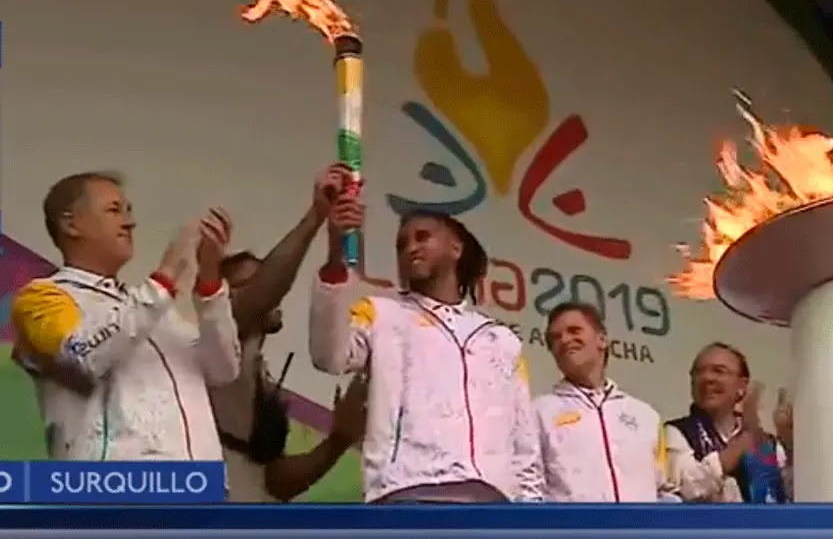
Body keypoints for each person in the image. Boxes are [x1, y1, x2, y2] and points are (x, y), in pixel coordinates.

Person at [309, 209, 544, 503]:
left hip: (491, 502)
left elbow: (524, 441)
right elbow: (329, 356)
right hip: (406, 492)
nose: (411, 248)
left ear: (455, 249)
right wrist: (336, 255)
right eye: (402, 245)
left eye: (422, 238)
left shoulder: (500, 339)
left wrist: (530, 510)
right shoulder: (380, 313)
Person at [10, 171, 241, 460]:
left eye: (129, 210)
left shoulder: (155, 310)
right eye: (114, 210)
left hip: (198, 483)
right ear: (70, 224)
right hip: (115, 484)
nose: (130, 222)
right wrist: (166, 276)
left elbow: (223, 370)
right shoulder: (42, 297)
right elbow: (82, 356)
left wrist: (209, 280)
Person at [208, 164, 368, 501]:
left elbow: (275, 481)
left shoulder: (256, 371)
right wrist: (316, 215)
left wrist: (339, 440)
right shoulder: (217, 351)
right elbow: (263, 294)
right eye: (252, 283)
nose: (271, 293)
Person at [531, 302, 677, 502]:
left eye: (574, 331)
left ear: (602, 340)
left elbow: (663, 489)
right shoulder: (539, 413)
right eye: (555, 338)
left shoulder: (646, 416)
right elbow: (529, 490)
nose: (564, 339)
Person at [665, 342, 794, 502]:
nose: (707, 378)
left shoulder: (767, 444)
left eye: (719, 371)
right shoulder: (675, 433)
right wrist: (738, 447)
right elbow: (688, 489)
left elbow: (791, 495)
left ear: (742, 385)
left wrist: (789, 442)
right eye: (699, 372)